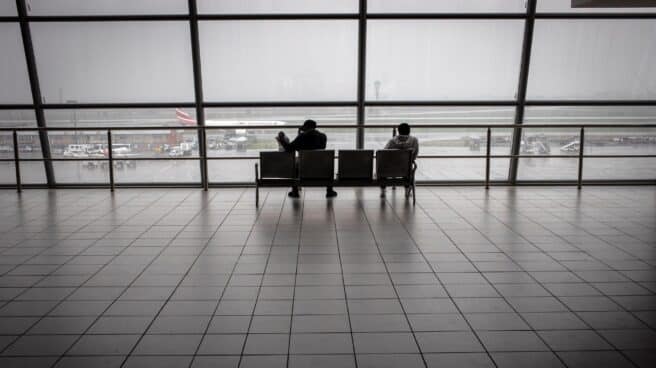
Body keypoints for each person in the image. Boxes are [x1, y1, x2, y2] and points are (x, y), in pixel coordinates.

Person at [276, 119, 337, 198]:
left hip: (304, 166)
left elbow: (289, 148)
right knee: (329, 165)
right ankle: (329, 191)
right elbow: (321, 148)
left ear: (305, 127)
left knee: (294, 165)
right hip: (320, 165)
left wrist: (281, 139)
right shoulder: (323, 136)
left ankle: (295, 191)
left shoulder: (302, 136)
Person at [381, 122, 419, 198]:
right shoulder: (414, 141)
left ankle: (383, 191)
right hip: (406, 169)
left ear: (398, 131)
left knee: (382, 169)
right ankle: (407, 191)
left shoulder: (392, 141)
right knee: (408, 169)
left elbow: (384, 153)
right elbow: (415, 154)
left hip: (390, 169)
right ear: (409, 131)